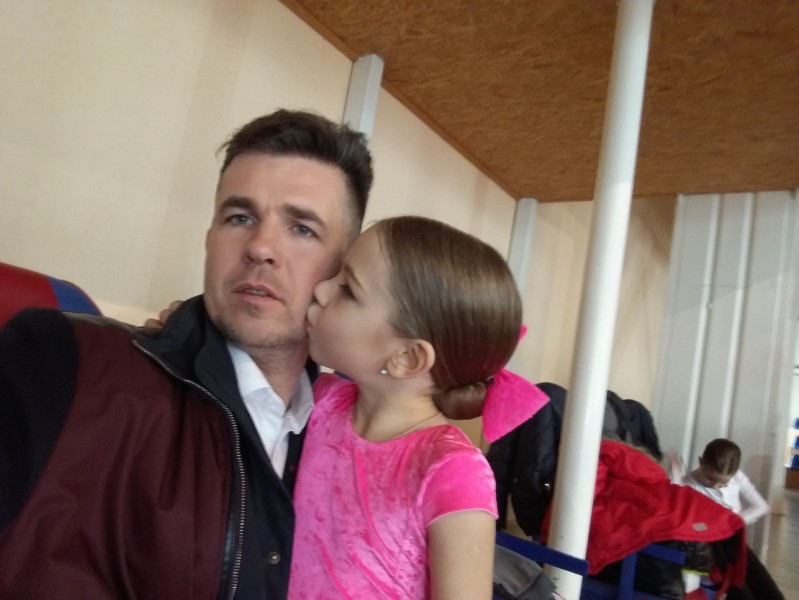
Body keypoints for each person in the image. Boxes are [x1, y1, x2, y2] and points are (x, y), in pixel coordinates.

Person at [0, 109, 373, 599]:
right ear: (210, 238)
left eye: (302, 228)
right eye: (240, 218)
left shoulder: (356, 441)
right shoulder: (60, 359)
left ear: (342, 270)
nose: (260, 247)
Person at [287, 216, 548, 599]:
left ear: (407, 358)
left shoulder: (452, 470)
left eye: (348, 289)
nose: (321, 289)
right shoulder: (321, 400)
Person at [671, 438, 784, 600]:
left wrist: (731, 521)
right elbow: (675, 499)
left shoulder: (737, 477)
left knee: (759, 577)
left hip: (733, 537)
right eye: (710, 479)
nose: (716, 485)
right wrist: (675, 471)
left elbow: (761, 506)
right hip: (710, 544)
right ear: (701, 462)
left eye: (723, 483)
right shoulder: (689, 482)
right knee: (738, 584)